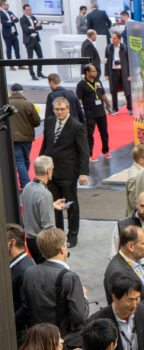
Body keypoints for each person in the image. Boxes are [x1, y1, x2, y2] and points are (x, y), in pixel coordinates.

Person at [40, 97, 90, 249]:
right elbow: (46, 144)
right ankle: (59, 234)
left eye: (62, 109)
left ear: (68, 109)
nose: (59, 112)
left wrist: (83, 172)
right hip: (50, 172)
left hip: (68, 172)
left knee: (71, 205)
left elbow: (84, 151)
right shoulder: (49, 122)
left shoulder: (77, 126)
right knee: (54, 205)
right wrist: (40, 164)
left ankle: (72, 235)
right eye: (57, 109)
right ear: (53, 109)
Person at [21, 228, 89, 337]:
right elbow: (80, 317)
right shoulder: (69, 277)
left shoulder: (29, 272)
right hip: (62, 339)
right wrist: (84, 297)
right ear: (62, 249)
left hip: (37, 337)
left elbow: (26, 307)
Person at [20, 156, 67, 263]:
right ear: (48, 170)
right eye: (52, 169)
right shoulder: (45, 194)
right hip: (42, 244)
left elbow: (32, 206)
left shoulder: (28, 186)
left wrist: (51, 205)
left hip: (30, 240)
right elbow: (49, 227)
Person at [76, 64, 112, 162]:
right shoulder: (81, 85)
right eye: (93, 71)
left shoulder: (98, 81)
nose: (95, 72)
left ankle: (106, 151)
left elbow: (103, 95)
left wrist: (109, 106)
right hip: (89, 113)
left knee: (104, 132)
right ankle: (90, 154)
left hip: (101, 112)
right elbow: (79, 100)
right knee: (89, 134)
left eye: (95, 71)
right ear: (87, 73)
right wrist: (81, 113)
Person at [8, 83, 40, 189]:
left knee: (19, 160)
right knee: (26, 159)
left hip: (13, 137)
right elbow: (36, 121)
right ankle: (26, 183)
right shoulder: (28, 104)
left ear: (11, 92)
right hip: (27, 137)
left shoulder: (7, 104)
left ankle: (24, 182)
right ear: (22, 92)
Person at [8, 223, 34, 346]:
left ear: (11, 243)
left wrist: (8, 322)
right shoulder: (17, 266)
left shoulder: (24, 269)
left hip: (19, 334)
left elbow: (26, 306)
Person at [105, 31, 132, 115]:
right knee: (113, 90)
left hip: (123, 71)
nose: (113, 40)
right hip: (113, 71)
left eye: (114, 38)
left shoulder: (125, 48)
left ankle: (130, 108)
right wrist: (106, 73)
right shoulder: (109, 48)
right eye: (112, 38)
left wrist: (129, 75)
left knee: (127, 90)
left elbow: (129, 62)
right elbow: (106, 61)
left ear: (119, 39)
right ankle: (115, 108)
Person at [20, 4, 44, 80]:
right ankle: (32, 74)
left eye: (30, 10)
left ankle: (39, 73)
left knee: (40, 55)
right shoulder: (22, 19)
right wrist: (35, 27)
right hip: (29, 40)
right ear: (24, 10)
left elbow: (40, 27)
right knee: (30, 58)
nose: (29, 11)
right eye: (27, 10)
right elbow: (26, 30)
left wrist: (33, 27)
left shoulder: (33, 17)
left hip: (36, 39)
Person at [1, 1, 22, 66]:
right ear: (2, 5)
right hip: (7, 34)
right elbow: (5, 24)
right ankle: (11, 65)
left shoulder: (10, 12)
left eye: (7, 5)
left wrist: (10, 21)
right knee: (9, 49)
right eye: (5, 5)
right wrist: (12, 20)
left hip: (14, 33)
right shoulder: (1, 13)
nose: (7, 6)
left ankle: (19, 64)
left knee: (17, 49)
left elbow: (17, 20)